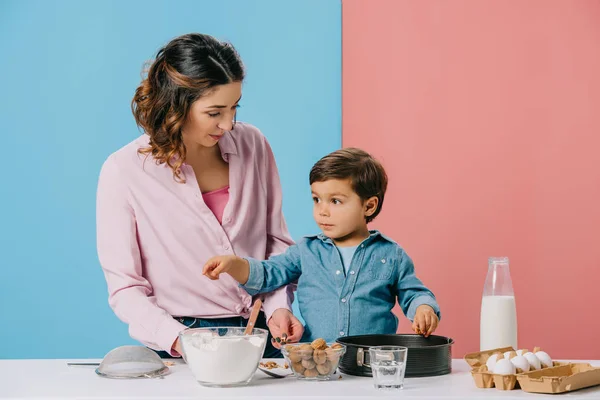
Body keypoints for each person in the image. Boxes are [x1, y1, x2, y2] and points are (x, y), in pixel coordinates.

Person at [96, 33, 303, 358]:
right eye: (214, 112)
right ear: (176, 105)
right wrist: (183, 341)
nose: (229, 123)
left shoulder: (254, 145)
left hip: (261, 338)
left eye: (235, 107)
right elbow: (125, 286)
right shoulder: (124, 170)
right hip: (181, 345)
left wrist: (278, 307)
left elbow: (276, 242)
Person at [203, 148, 441, 343]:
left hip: (371, 364)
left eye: (335, 201)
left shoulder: (391, 255)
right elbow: (268, 275)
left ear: (368, 206)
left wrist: (423, 309)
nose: (323, 211)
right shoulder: (306, 251)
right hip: (316, 362)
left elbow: (414, 292)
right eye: (317, 199)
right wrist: (234, 264)